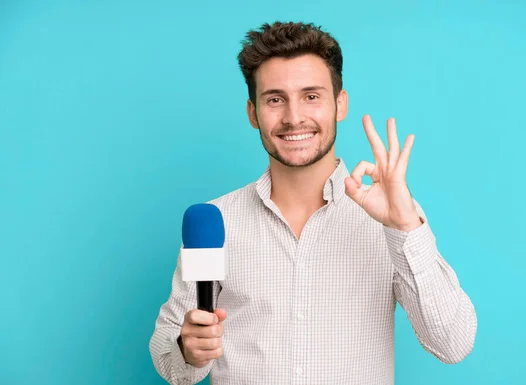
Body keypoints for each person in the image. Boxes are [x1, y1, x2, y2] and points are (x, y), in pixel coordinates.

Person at [149, 21, 477, 385]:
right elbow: (171, 363)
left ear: (340, 104)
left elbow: (453, 344)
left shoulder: (393, 219)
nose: (293, 117)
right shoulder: (216, 221)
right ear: (253, 113)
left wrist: (403, 227)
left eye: (311, 96)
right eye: (275, 99)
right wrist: (187, 348)